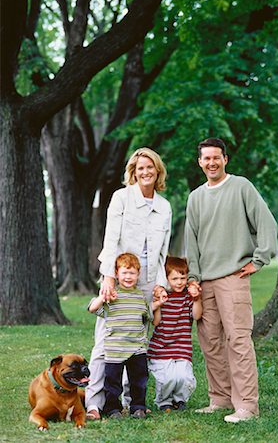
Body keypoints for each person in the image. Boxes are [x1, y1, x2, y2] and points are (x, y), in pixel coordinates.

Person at [185, 137, 278, 423]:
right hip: (205, 281)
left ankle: (247, 407)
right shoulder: (195, 197)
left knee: (238, 340)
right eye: (206, 158)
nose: (211, 162)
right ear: (200, 162)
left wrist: (259, 259)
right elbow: (192, 240)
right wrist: (193, 277)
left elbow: (267, 223)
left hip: (234, 277)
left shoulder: (241, 187)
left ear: (225, 159)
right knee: (210, 342)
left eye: (217, 157)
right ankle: (220, 399)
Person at [85, 147, 172, 420]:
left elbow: (161, 254)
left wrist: (160, 284)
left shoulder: (164, 207)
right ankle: (94, 403)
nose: (145, 172)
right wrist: (109, 276)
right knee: (106, 342)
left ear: (158, 171)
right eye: (139, 168)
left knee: (136, 342)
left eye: (150, 167)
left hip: (146, 281)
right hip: (119, 277)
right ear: (133, 173)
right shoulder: (121, 198)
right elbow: (110, 239)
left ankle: (127, 401)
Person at [89, 253, 161, 419]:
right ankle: (112, 409)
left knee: (139, 381)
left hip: (137, 348)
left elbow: (148, 315)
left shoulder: (140, 296)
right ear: (116, 274)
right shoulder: (112, 296)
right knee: (112, 383)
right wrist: (102, 296)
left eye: (132, 273)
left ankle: (138, 407)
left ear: (138, 274)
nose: (128, 277)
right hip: (115, 349)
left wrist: (158, 304)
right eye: (124, 273)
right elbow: (93, 308)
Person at [148, 256, 203, 412]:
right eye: (174, 278)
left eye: (183, 278)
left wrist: (197, 298)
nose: (179, 282)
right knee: (168, 378)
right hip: (161, 348)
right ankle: (164, 401)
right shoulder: (163, 296)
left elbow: (197, 316)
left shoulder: (187, 297)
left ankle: (179, 400)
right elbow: (156, 322)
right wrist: (159, 303)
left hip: (182, 347)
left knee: (184, 377)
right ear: (166, 279)